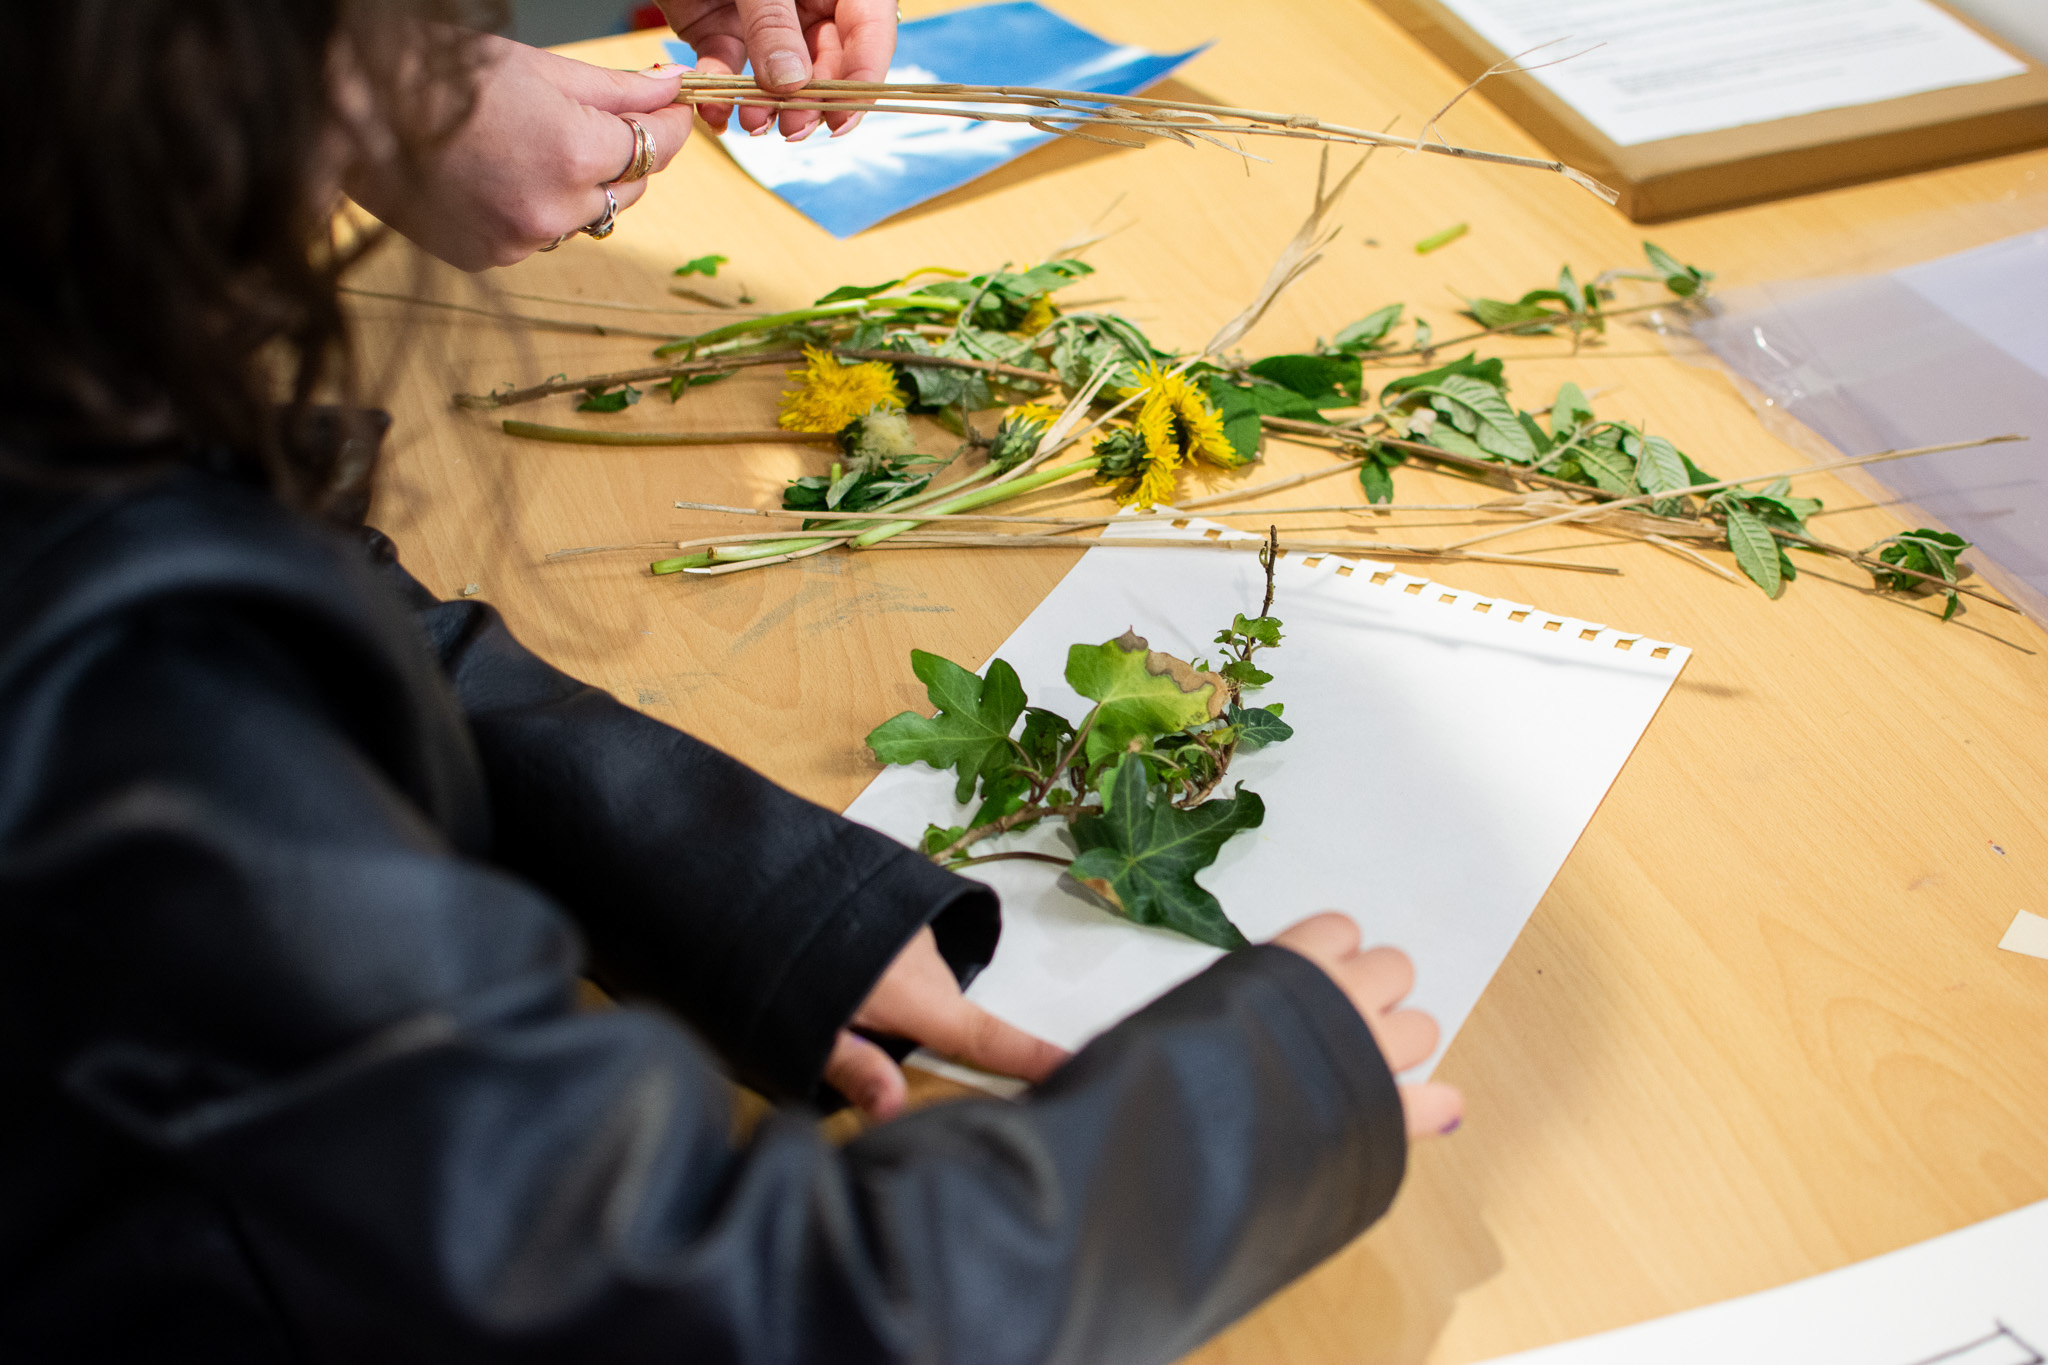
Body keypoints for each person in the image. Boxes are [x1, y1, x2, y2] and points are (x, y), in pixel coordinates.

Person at [0, 1, 1462, 1360]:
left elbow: (320, 651)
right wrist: (1249, 1110)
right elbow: (696, 1307)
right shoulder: (122, 696)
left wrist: (745, 890)